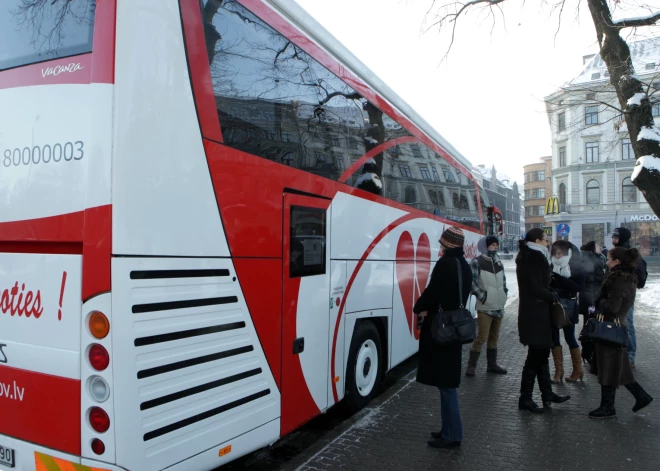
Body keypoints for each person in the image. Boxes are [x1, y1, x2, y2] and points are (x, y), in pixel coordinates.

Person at [414, 226, 471, 448]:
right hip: (454, 328)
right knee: (446, 383)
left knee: (447, 386)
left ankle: (453, 435)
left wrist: (419, 307)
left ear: (447, 244)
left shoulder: (445, 264)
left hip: (443, 329)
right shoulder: (463, 265)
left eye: (442, 243)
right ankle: (447, 429)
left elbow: (432, 292)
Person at [588, 246, 654, 418]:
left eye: (609, 259)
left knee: (608, 367)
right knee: (618, 366)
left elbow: (612, 307)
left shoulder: (619, 279)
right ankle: (641, 396)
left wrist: (599, 300)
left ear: (617, 261)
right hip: (615, 327)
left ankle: (608, 406)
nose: (607, 261)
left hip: (611, 327)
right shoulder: (623, 277)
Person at [516, 228, 571, 413]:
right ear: (538, 241)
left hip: (533, 313)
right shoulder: (535, 257)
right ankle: (525, 398)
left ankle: (547, 394)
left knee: (541, 356)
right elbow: (536, 288)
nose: (548, 243)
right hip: (536, 314)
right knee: (535, 358)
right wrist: (553, 295)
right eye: (546, 240)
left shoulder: (528, 255)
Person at [466, 235, 508, 376]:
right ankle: (471, 366)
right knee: (482, 336)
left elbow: (503, 282)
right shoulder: (476, 262)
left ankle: (492, 365)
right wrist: (483, 297)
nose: (495, 248)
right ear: (485, 246)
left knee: (494, 337)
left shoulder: (498, 262)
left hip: (499, 306)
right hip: (485, 307)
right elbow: (472, 283)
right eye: (492, 245)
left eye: (496, 245)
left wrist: (504, 295)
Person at [549, 240, 585, 383]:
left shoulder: (576, 266)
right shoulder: (551, 265)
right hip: (553, 305)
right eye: (556, 253)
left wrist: (561, 280)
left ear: (568, 253)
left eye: (560, 253)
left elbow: (579, 287)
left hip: (569, 307)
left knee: (570, 338)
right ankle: (559, 371)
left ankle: (578, 370)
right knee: (554, 339)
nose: (557, 256)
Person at [612, 227, 648, 367]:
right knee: (619, 324)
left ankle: (630, 356)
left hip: (626, 294)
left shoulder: (628, 254)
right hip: (616, 293)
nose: (613, 240)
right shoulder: (615, 252)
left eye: (616, 237)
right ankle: (621, 354)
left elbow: (639, 277)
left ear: (622, 239)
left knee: (627, 324)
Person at [578, 241, 606, 367]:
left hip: (587, 297)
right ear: (592, 249)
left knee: (588, 323)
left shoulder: (583, 258)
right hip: (592, 297)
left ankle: (587, 352)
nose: (600, 248)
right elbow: (600, 278)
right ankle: (590, 353)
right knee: (593, 325)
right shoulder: (593, 260)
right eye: (598, 246)